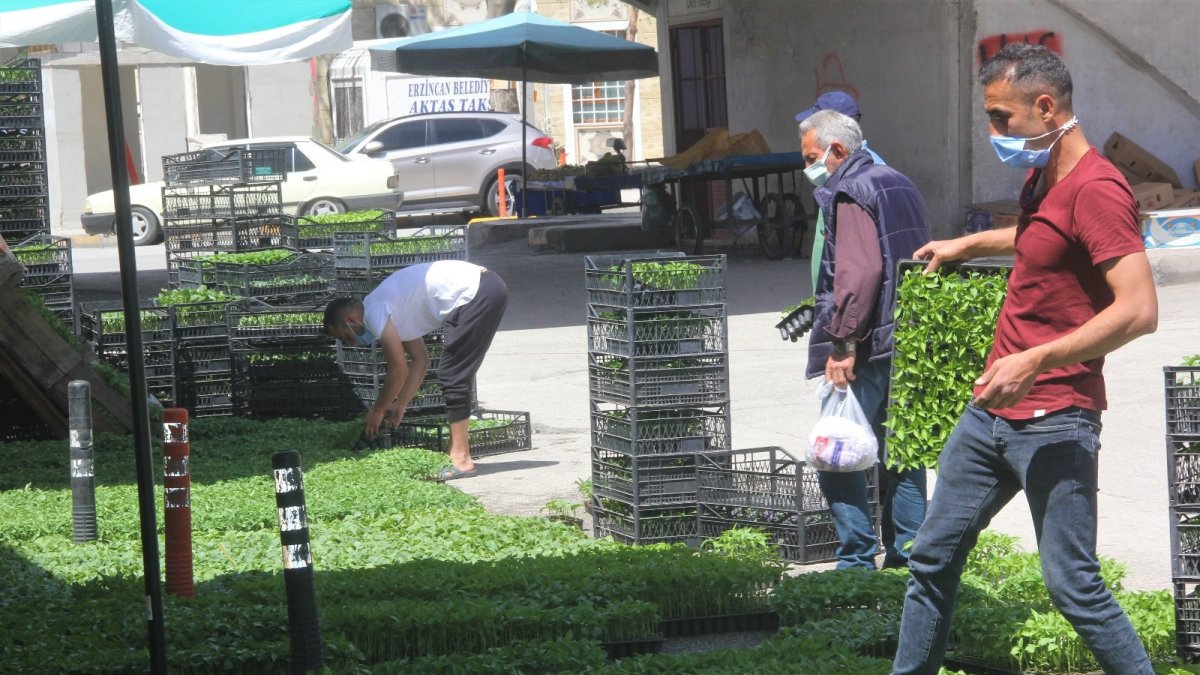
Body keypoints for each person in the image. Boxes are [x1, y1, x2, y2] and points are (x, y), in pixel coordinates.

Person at [891, 44, 1159, 674]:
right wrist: (969, 243)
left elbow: (1140, 310)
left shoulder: (1097, 188)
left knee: (1073, 585)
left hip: (1058, 416)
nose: (995, 133)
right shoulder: (1047, 177)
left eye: (1001, 118)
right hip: (991, 413)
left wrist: (1035, 359)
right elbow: (1041, 234)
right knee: (930, 557)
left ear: (1046, 107)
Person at [799, 109, 931, 569]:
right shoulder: (896, 179)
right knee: (902, 452)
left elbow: (860, 272)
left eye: (813, 157)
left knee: (836, 448)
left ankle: (855, 559)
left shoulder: (851, 189)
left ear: (837, 150)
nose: (809, 167)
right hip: (906, 337)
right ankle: (909, 558)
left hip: (870, 341)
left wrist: (843, 342)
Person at [324, 260, 508, 481]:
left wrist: (378, 410)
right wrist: (401, 403)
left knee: (453, 375)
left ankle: (461, 459)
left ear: (351, 320)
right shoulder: (390, 307)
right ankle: (455, 452)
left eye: (346, 337)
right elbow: (420, 360)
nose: (352, 343)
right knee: (454, 374)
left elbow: (398, 369)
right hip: (482, 288)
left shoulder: (373, 312)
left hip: (475, 293)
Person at [795, 91, 885, 287]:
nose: (808, 168)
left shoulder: (862, 179)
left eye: (812, 159)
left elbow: (862, 267)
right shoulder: (834, 177)